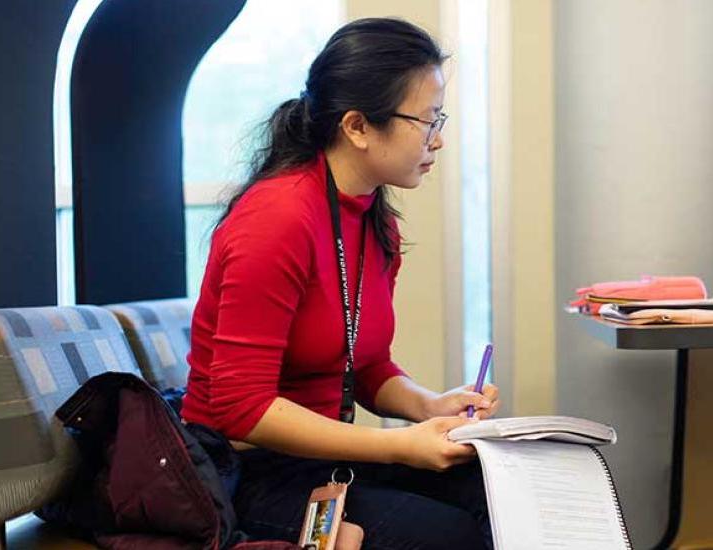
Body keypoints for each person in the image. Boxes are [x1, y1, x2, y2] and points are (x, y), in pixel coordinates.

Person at [181, 17, 499, 550]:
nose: (438, 139)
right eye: (426, 120)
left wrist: (429, 407)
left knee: (497, 489)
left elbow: (364, 363)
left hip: (327, 458)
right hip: (248, 472)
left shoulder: (376, 220)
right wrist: (401, 447)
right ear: (357, 126)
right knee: (448, 536)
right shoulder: (276, 219)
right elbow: (242, 406)